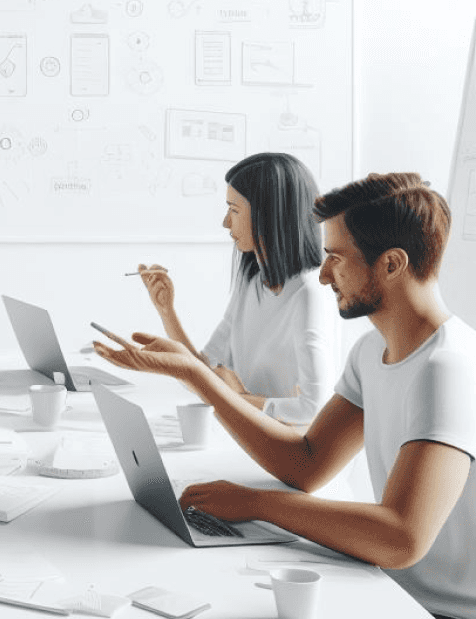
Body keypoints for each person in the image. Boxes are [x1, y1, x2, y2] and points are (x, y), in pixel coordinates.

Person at [94, 173, 476, 619]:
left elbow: (401, 538)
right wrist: (199, 377)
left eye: (335, 257)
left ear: (392, 264)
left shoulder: (448, 367)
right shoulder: (373, 349)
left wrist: (259, 504)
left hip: (437, 611)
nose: (323, 273)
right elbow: (307, 464)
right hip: (384, 588)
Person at [135, 152, 336, 424]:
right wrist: (166, 311)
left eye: (234, 210)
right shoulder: (252, 280)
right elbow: (200, 375)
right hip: (248, 433)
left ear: (269, 215)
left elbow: (313, 407)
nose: (225, 222)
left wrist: (235, 398)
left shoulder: (308, 294)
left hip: (287, 447)